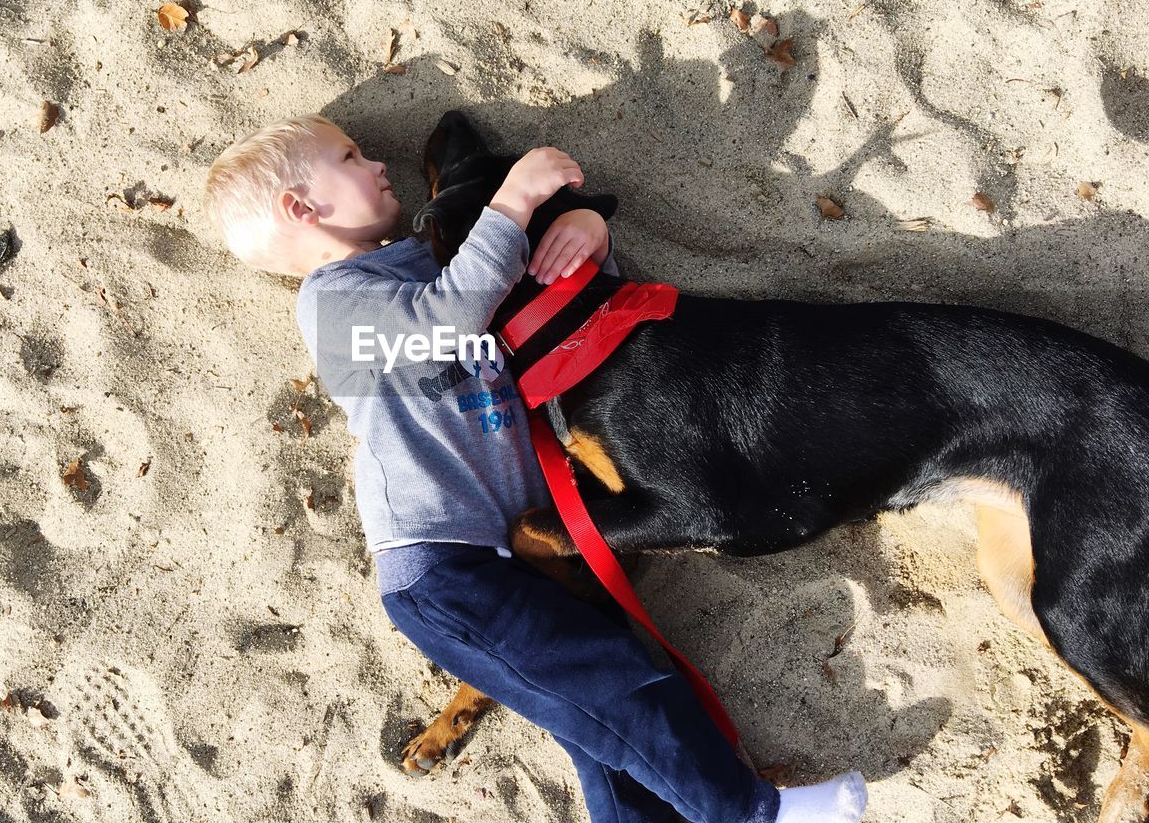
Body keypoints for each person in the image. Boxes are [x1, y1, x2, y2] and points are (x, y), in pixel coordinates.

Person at [203, 113, 868, 823]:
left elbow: (548, 310)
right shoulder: (333, 304)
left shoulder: (421, 265)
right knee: (620, 689)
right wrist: (511, 203)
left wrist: (587, 231)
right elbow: (447, 321)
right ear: (302, 208)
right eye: (351, 157)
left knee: (601, 727)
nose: (376, 166)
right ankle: (750, 814)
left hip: (517, 551)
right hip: (445, 569)